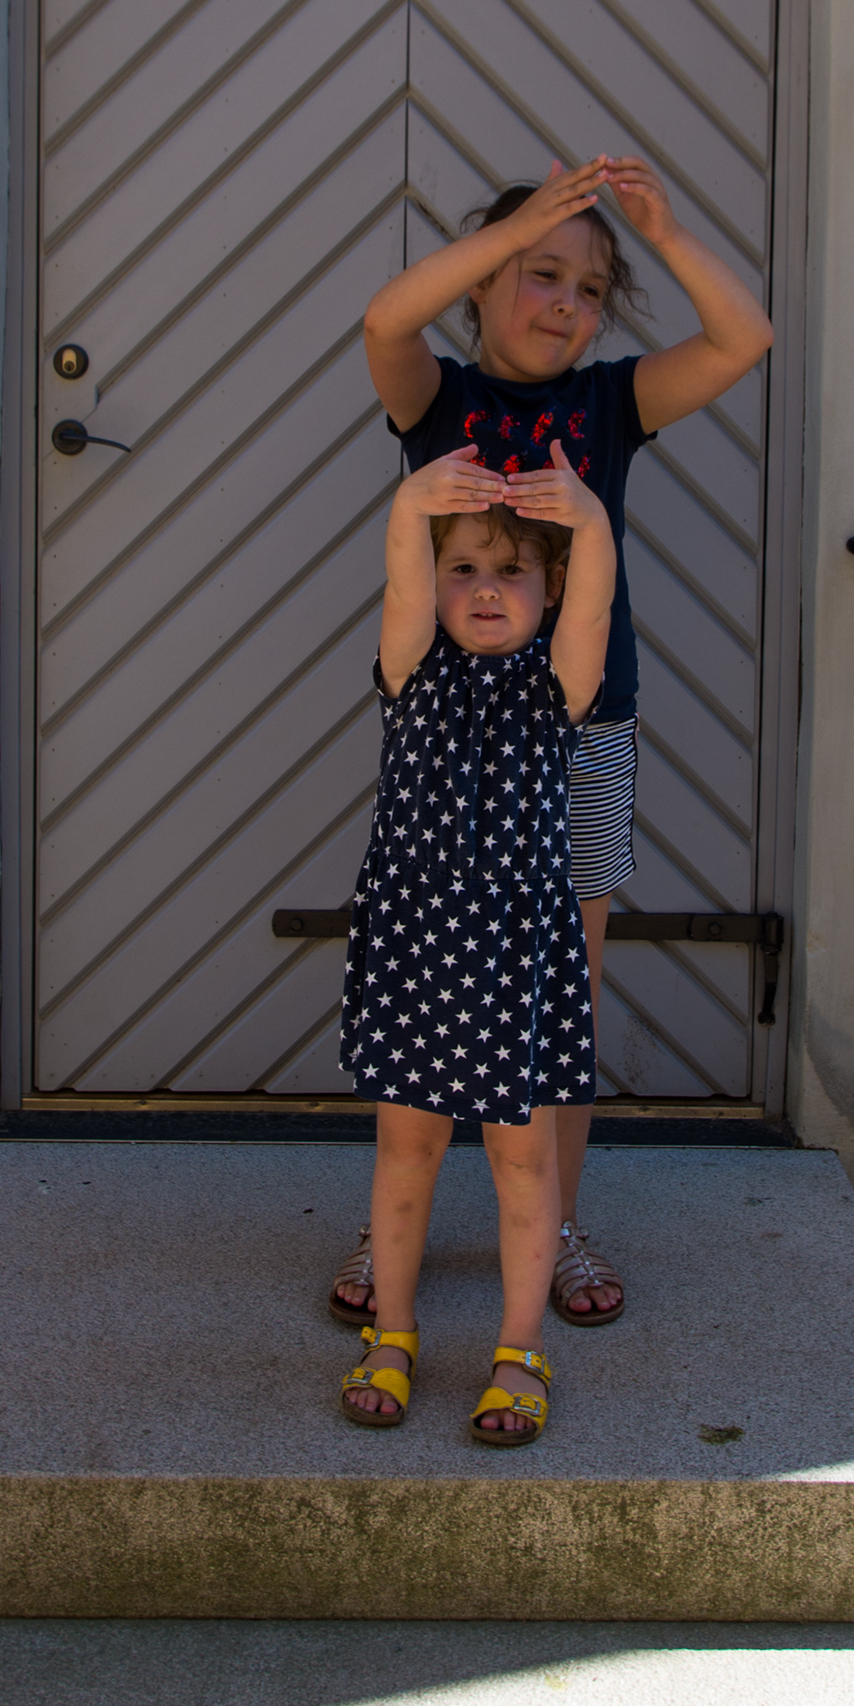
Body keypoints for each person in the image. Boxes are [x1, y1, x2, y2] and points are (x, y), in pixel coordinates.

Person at [330, 155, 773, 1332]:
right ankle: (392, 1227)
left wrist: (663, 232)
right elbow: (385, 322)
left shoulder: (610, 406)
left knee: (558, 983)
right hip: (447, 740)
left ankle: (559, 1222)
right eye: (541, 273)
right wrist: (516, 225)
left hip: (583, 733)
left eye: (589, 288)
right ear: (483, 281)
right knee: (424, 971)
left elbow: (743, 338)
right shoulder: (435, 400)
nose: (567, 302)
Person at [335, 439, 616, 1445]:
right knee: (406, 1151)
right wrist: (411, 505)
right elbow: (404, 585)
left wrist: (592, 521)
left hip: (514, 963)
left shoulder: (556, 687)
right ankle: (394, 1332)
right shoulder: (411, 673)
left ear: (548, 588)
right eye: (463, 568)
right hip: (420, 952)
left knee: (524, 1165)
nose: (486, 589)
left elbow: (595, 610)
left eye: (511, 571)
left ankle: (518, 1348)